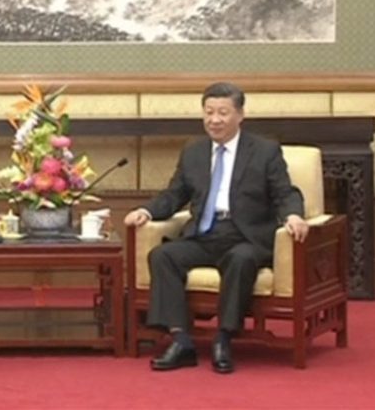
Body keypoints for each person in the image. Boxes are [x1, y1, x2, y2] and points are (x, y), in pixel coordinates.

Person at [123, 82, 308, 374]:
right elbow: (174, 195)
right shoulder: (194, 152)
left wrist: (294, 216)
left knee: (242, 258)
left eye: (223, 112)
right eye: (209, 112)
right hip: (204, 234)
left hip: (244, 235)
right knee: (163, 256)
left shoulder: (264, 151)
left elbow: (286, 193)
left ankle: (224, 337)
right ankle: (181, 340)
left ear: (240, 114)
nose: (214, 120)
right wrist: (146, 210)